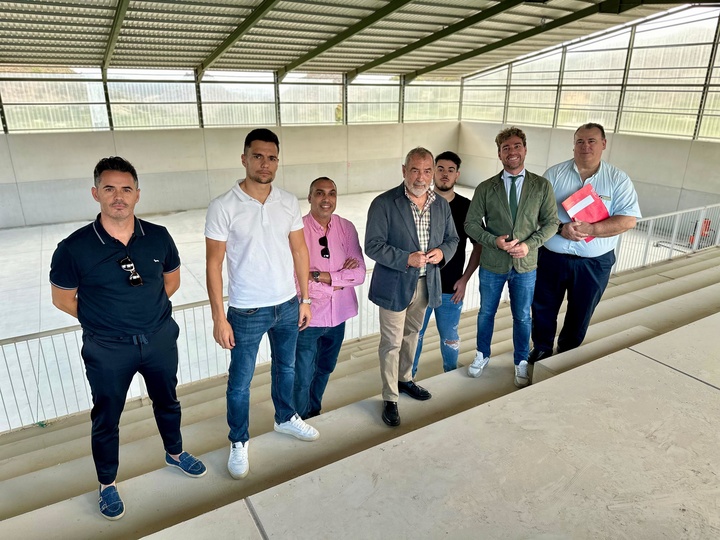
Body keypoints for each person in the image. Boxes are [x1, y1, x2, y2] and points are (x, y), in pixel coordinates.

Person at [49, 157, 206, 521]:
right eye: (109, 189)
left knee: (168, 401)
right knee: (107, 416)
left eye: (125, 189)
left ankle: (175, 452)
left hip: (159, 339)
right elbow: (63, 299)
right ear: (95, 193)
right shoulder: (73, 248)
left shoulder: (159, 236)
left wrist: (146, 317)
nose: (117, 196)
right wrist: (107, 322)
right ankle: (107, 483)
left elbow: (171, 282)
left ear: (137, 194)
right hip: (107, 348)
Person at [205, 128, 319, 482]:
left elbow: (300, 250)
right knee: (239, 382)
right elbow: (213, 264)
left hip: (287, 305)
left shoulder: (287, 201)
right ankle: (238, 440)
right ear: (244, 159)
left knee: (286, 370)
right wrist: (218, 317)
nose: (265, 163)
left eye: (271, 157)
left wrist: (304, 298)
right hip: (247, 311)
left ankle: (285, 418)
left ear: (277, 162)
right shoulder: (224, 206)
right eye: (257, 156)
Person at [529, 123, 641, 365]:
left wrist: (592, 229)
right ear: (573, 145)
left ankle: (567, 352)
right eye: (580, 141)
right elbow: (535, 213)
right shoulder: (554, 174)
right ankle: (542, 348)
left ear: (603, 144)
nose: (585, 146)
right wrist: (560, 228)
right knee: (542, 306)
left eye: (591, 141)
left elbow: (628, 220)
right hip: (552, 258)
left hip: (594, 263)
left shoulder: (618, 180)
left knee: (580, 312)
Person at [365, 147, 459, 427]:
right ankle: (390, 397)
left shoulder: (440, 204)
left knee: (412, 336)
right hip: (394, 285)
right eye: (415, 170)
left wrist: (442, 253)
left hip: (426, 283)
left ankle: (405, 380)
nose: (421, 177)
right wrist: (405, 258)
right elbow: (373, 245)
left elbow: (452, 239)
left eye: (427, 171)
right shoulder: (384, 203)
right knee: (391, 343)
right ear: (404, 170)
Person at [465, 127, 558, 388]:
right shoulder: (486, 188)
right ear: (499, 154)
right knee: (486, 313)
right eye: (506, 148)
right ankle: (482, 354)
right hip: (493, 264)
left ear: (525, 149)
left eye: (517, 146)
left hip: (525, 265)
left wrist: (530, 245)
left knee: (523, 316)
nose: (512, 152)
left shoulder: (541, 185)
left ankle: (520, 361)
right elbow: (471, 224)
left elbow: (551, 223)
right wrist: (491, 240)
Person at [294, 177, 366, 419]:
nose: (326, 199)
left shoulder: (346, 227)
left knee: (325, 369)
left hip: (339, 317)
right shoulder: (297, 230)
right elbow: (295, 280)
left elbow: (358, 273)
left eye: (332, 193)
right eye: (320, 193)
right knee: (302, 374)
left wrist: (319, 275)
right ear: (310, 197)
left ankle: (314, 411)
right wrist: (335, 284)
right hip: (309, 318)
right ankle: (299, 417)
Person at [412, 151, 481, 377]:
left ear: (457, 175)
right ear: (432, 172)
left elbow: (479, 245)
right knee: (415, 335)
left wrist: (465, 279)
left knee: (449, 336)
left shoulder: (467, 207)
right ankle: (407, 376)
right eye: (440, 169)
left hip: (451, 287)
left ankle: (450, 373)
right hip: (420, 285)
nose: (445, 174)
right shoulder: (420, 203)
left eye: (450, 170)